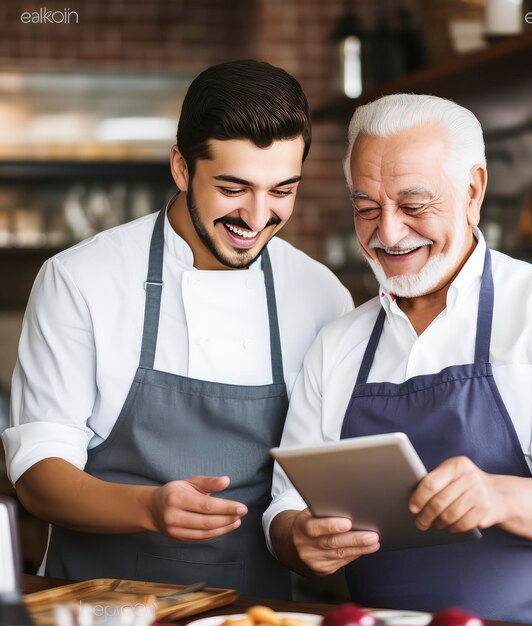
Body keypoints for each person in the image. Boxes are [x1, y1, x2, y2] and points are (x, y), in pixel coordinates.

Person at [265, 94, 532, 624]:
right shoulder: (337, 343)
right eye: (366, 208)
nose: (387, 233)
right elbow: (284, 506)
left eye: (413, 206)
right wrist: (298, 538)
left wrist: (497, 495)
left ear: (473, 191)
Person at [2, 60, 353, 598]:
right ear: (182, 168)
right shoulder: (81, 279)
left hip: (255, 611)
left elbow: (313, 481)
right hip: (101, 607)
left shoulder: (321, 295)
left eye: (282, 190)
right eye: (234, 188)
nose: (258, 217)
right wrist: (147, 507)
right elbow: (38, 476)